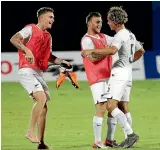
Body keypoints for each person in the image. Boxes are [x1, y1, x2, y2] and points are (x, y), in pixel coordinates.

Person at [82, 6, 145, 148]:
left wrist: (91, 50)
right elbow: (141, 50)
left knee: (110, 106)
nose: (107, 23)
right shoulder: (130, 34)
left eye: (109, 21)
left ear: (115, 21)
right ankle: (127, 138)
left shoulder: (119, 35)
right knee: (124, 106)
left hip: (119, 74)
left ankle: (130, 134)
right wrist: (128, 61)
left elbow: (112, 50)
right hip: (128, 73)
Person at [10, 7, 71, 149]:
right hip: (26, 70)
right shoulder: (30, 29)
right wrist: (26, 49)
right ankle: (30, 131)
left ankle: (41, 143)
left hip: (38, 73)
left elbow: (49, 57)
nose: (53, 20)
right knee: (41, 98)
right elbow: (14, 39)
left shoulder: (48, 36)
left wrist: (62, 61)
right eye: (50, 17)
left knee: (43, 108)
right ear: (42, 17)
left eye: (53, 18)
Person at [81, 12, 119, 148]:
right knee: (101, 108)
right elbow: (92, 58)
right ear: (89, 23)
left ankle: (109, 139)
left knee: (112, 107)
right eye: (97, 22)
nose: (100, 25)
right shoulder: (86, 40)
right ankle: (97, 141)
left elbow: (117, 42)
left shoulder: (103, 37)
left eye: (101, 22)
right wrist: (108, 51)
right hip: (97, 78)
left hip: (109, 77)